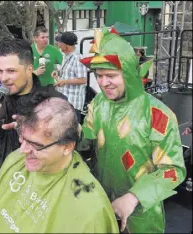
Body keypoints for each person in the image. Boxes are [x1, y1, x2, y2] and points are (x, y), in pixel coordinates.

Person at [0, 94, 119, 233]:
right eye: (23, 138)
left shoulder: (90, 209)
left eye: (36, 145)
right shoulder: (16, 159)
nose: (24, 150)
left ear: (67, 146)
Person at [79, 26, 186, 233]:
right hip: (100, 205)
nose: (103, 83)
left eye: (111, 75)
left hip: (141, 218)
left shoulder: (157, 114)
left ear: (128, 72)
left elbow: (173, 170)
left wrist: (133, 197)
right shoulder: (98, 103)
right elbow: (86, 143)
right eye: (99, 76)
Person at [0, 38, 66, 194]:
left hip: (35, 192)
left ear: (29, 69)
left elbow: (68, 150)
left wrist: (35, 132)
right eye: (0, 71)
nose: (3, 78)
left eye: (11, 71)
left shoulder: (53, 102)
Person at [52, 32, 87, 123]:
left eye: (60, 43)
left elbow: (83, 80)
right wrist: (57, 72)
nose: (59, 45)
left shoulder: (77, 59)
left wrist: (65, 82)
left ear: (65, 45)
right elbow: (67, 72)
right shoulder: (66, 56)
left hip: (73, 104)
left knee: (72, 132)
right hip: (64, 102)